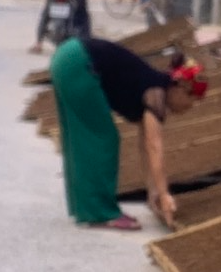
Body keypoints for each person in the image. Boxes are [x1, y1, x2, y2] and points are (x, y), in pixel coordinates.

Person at [48, 40, 207, 230]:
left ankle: (85, 208)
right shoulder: (156, 94)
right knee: (103, 139)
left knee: (81, 137)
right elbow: (154, 146)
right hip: (79, 63)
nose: (191, 106)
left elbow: (145, 146)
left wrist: (153, 192)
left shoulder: (153, 87)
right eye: (193, 99)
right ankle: (103, 213)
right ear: (180, 88)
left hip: (67, 56)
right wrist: (165, 195)